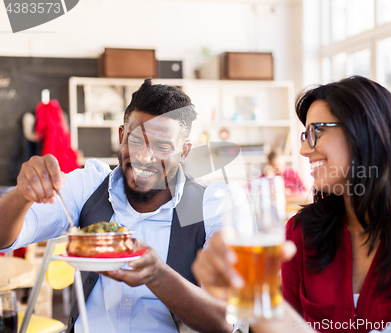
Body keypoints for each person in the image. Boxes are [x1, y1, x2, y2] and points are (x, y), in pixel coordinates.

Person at [193, 76, 391, 333]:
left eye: (317, 131)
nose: (304, 149)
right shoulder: (301, 233)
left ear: (366, 133)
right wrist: (253, 297)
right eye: (305, 134)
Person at [0, 79, 233, 333]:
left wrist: (157, 275)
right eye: (136, 141)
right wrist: (23, 194)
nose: (145, 157)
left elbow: (226, 321)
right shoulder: (88, 185)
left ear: (184, 152)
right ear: (122, 136)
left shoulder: (210, 207)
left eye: (163, 147)